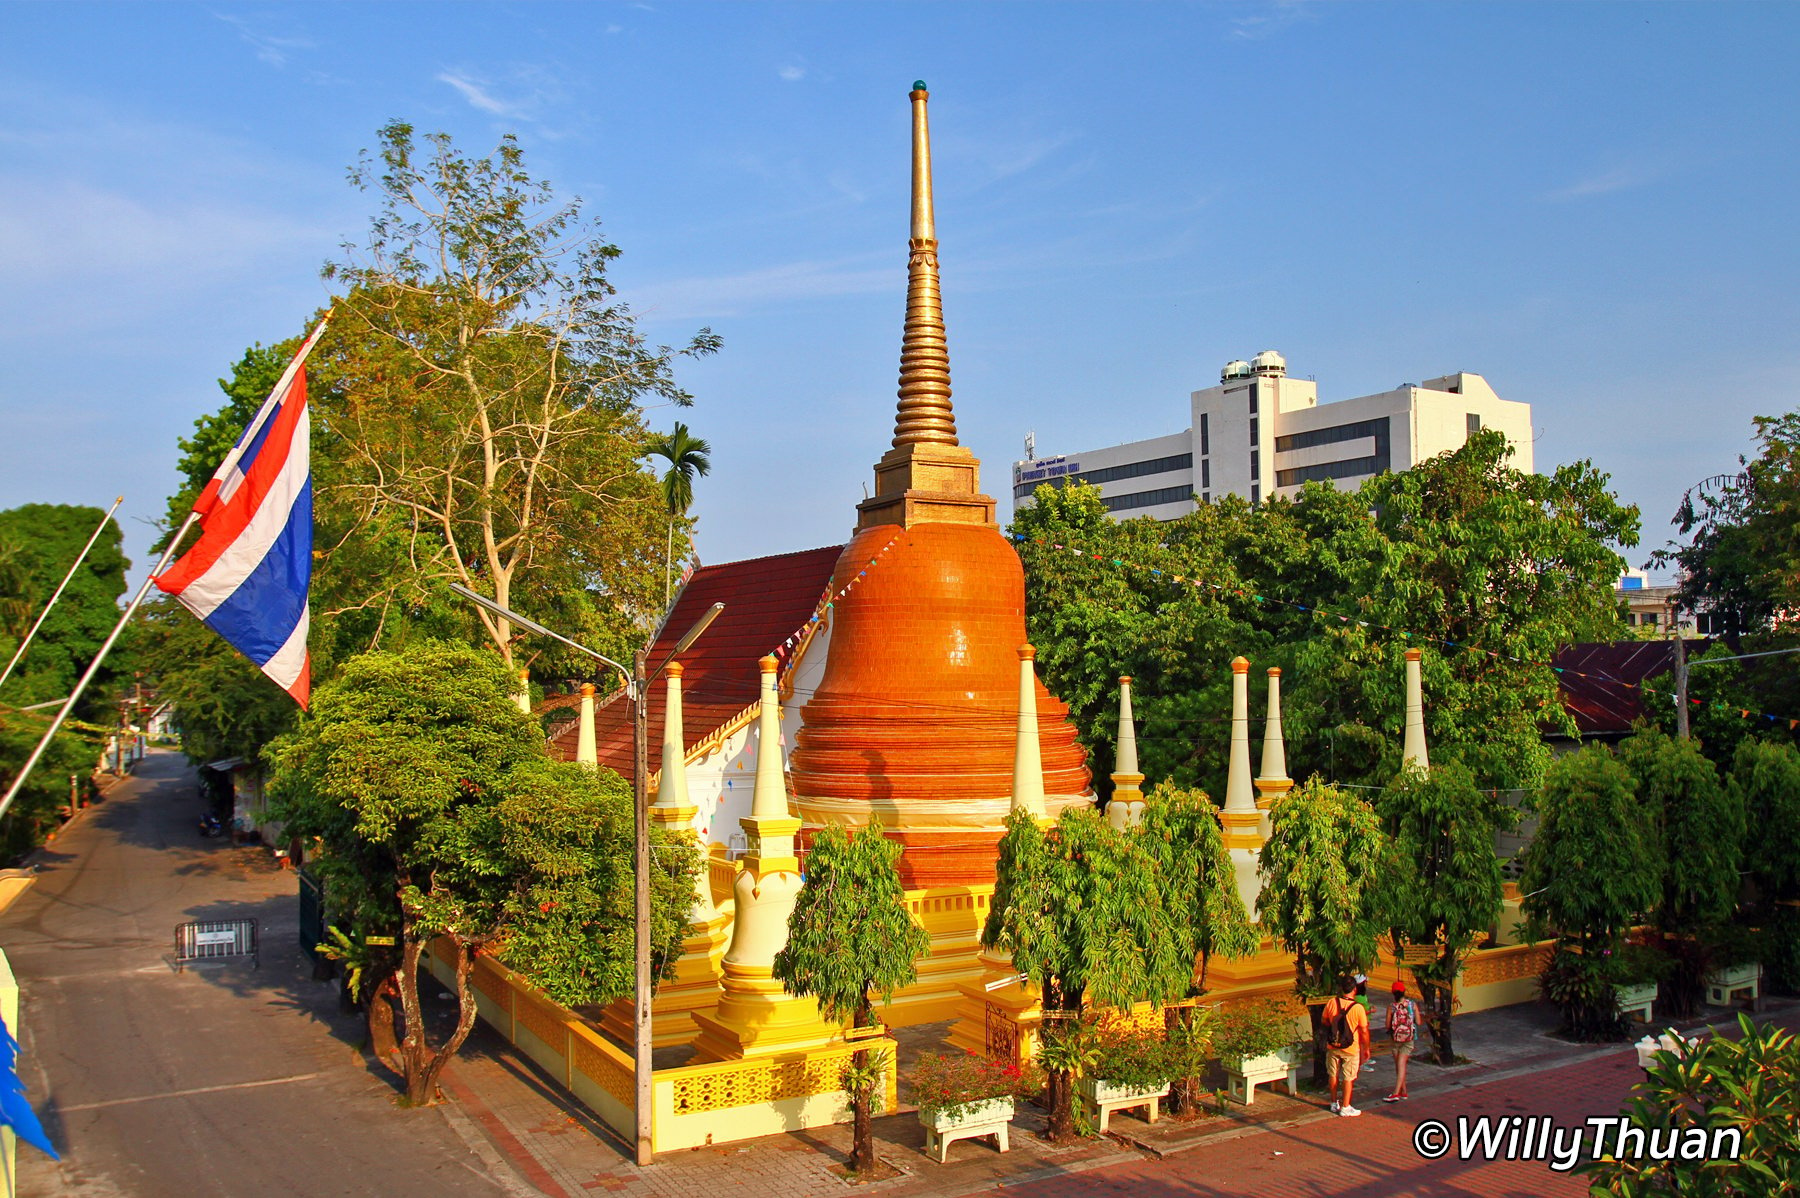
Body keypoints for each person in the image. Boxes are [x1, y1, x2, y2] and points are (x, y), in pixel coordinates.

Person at [1321, 975, 1371, 1117]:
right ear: (1354, 989)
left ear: (1341, 988)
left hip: (1333, 1045)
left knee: (1333, 1074)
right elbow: (1364, 1031)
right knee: (1348, 1077)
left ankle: (1333, 1103)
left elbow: (1324, 1020)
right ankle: (1346, 1106)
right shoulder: (1358, 1008)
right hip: (1351, 1047)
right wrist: (1366, 1048)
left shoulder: (1332, 1002)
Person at [1384, 981, 1419, 1102]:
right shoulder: (1412, 1004)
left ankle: (1396, 1093)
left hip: (1395, 1039)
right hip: (1408, 1039)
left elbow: (1387, 1025)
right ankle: (1403, 1091)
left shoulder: (1391, 1007)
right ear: (1404, 991)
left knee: (1399, 1066)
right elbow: (1418, 1022)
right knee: (1402, 1065)